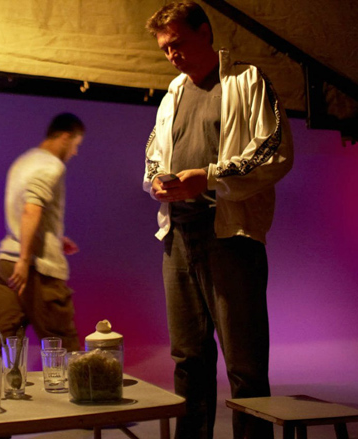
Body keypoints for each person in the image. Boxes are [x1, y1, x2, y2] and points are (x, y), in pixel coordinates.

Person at [143, 2, 294, 439]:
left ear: (205, 32)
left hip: (230, 236)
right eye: (164, 48)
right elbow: (153, 155)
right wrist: (158, 183)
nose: (171, 55)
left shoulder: (247, 81)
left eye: (177, 43)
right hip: (179, 235)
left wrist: (208, 177)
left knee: (245, 363)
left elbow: (274, 150)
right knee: (187, 358)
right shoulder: (172, 94)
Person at [0, 113, 84, 371]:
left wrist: (53, 238)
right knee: (63, 343)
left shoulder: (23, 161)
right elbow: (31, 208)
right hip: (36, 268)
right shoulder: (51, 165)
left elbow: (25, 210)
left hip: (7, 261)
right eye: (76, 144)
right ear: (65, 137)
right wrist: (25, 259)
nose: (75, 152)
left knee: (1, 339)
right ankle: (83, 394)